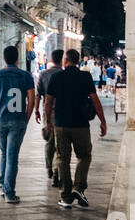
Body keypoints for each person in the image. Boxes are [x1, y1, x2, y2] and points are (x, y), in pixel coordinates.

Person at [43, 49, 107, 209]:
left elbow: (48, 102)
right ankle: (78, 187)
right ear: (78, 61)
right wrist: (103, 121)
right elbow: (95, 99)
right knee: (84, 156)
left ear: (65, 60)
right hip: (81, 125)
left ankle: (65, 196)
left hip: (61, 124)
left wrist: (47, 122)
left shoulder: (56, 76)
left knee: (62, 159)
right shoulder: (85, 76)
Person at [0, 44, 35, 203]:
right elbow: (32, 100)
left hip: (1, 119)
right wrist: (26, 118)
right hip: (18, 119)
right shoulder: (26, 76)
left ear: (4, 59)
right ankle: (10, 192)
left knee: (4, 153)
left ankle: (3, 185)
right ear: (17, 58)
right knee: (12, 155)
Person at [34, 48, 64, 189]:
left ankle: (49, 169)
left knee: (49, 142)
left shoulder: (44, 74)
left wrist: (36, 111)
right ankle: (57, 173)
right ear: (62, 59)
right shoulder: (64, 74)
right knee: (61, 145)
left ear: (51, 59)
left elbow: (38, 94)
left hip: (48, 112)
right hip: (63, 113)